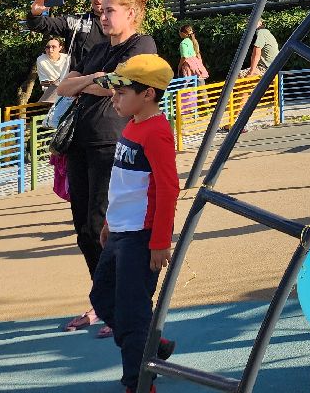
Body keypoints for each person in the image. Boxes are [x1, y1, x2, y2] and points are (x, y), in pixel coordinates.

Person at [52, 0, 158, 334]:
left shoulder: (141, 45)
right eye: (101, 11)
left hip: (113, 143)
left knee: (105, 226)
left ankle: (119, 305)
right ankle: (105, 303)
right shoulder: (96, 50)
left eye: (110, 10)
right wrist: (94, 80)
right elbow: (63, 86)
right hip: (81, 143)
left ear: (131, 13)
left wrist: (93, 82)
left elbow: (123, 82)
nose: (103, 15)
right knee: (84, 230)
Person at [90, 54, 179, 392]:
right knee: (102, 298)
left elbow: (168, 187)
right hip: (120, 233)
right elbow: (125, 183)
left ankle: (139, 383)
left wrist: (159, 241)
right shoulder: (133, 125)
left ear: (148, 95)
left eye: (121, 94)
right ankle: (151, 346)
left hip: (141, 238)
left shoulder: (156, 131)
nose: (114, 100)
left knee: (132, 316)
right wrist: (110, 222)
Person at [28, 0, 116, 73]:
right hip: (77, 83)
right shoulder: (76, 21)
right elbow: (40, 25)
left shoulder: (124, 25)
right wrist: (35, 13)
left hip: (110, 83)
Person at [35, 36, 70, 103]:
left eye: (53, 47)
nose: (50, 50)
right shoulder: (41, 60)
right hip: (51, 92)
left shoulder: (68, 58)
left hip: (68, 90)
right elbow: (43, 83)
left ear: (60, 48)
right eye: (48, 47)